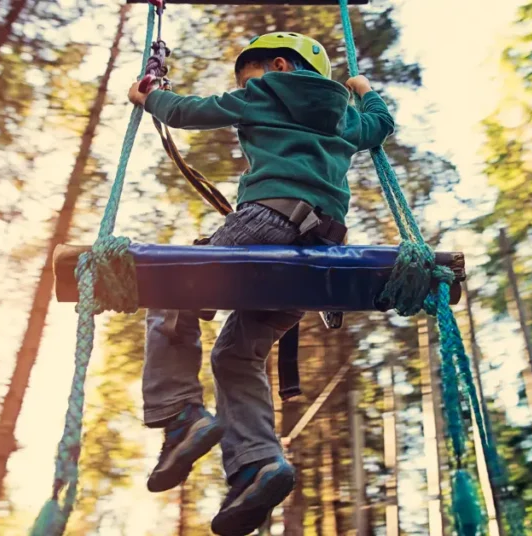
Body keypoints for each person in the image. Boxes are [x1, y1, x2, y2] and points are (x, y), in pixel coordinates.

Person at [128, 31, 394, 536]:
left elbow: (190, 111)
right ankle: (256, 464)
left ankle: (178, 411)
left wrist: (149, 96)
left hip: (267, 223)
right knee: (236, 355)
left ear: (278, 65)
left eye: (248, 78)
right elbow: (380, 126)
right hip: (317, 256)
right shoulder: (344, 115)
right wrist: (363, 88)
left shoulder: (266, 90)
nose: (246, 89)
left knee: (169, 285)